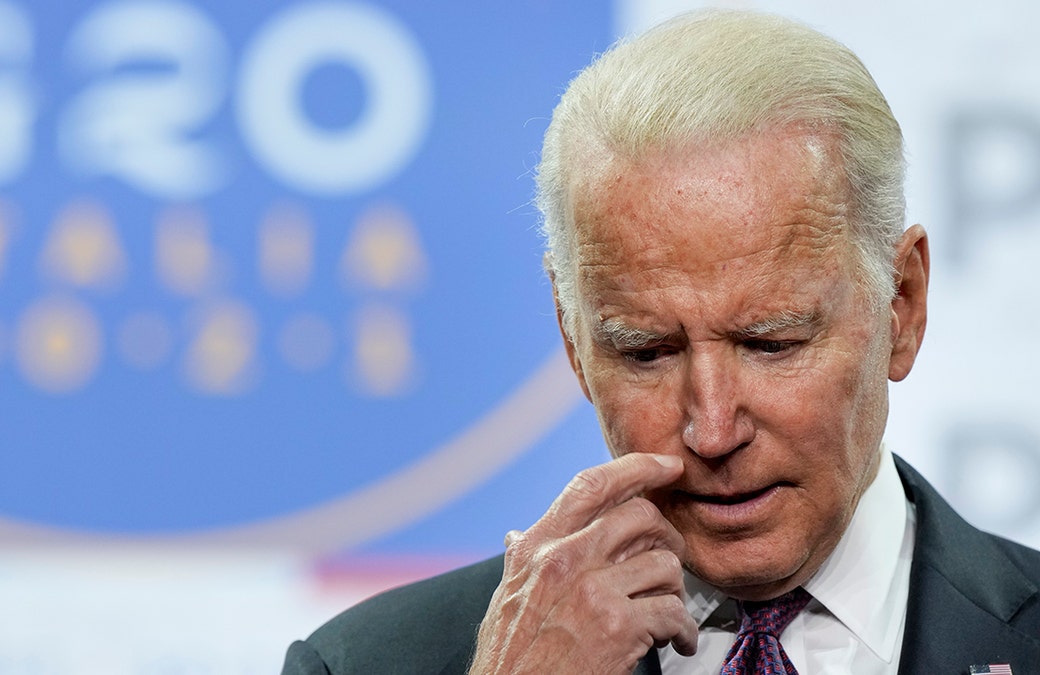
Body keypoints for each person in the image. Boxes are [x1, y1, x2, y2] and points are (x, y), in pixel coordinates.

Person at [281, 9, 1040, 674]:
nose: (711, 428)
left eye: (770, 342)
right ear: (574, 340)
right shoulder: (364, 662)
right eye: (646, 351)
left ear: (901, 303)